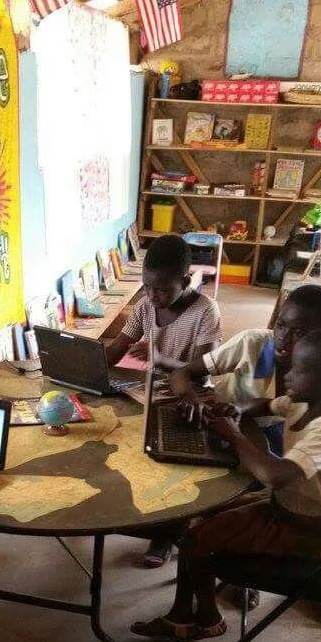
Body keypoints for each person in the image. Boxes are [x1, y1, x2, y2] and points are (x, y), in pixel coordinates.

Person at [132, 327, 321, 641]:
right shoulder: (303, 402)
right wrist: (237, 409)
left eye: (298, 370)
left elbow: (274, 475)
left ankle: (208, 620)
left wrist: (233, 434)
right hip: (286, 507)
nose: (289, 376)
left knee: (195, 540)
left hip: (309, 531)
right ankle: (183, 616)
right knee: (198, 517)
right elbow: (263, 404)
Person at [106, 234, 221, 568]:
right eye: (147, 287)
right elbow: (116, 349)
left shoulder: (205, 312)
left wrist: (159, 358)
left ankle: (168, 533)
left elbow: (199, 372)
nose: (152, 297)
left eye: (162, 290)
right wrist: (86, 361)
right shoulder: (145, 306)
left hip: (192, 396)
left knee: (171, 460)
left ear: (185, 282)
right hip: (152, 390)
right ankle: (140, 515)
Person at [169, 283, 321, 455]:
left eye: (299, 333)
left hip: (270, 437)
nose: (283, 337)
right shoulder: (251, 343)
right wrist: (190, 397)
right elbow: (182, 373)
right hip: (221, 422)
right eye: (280, 324)